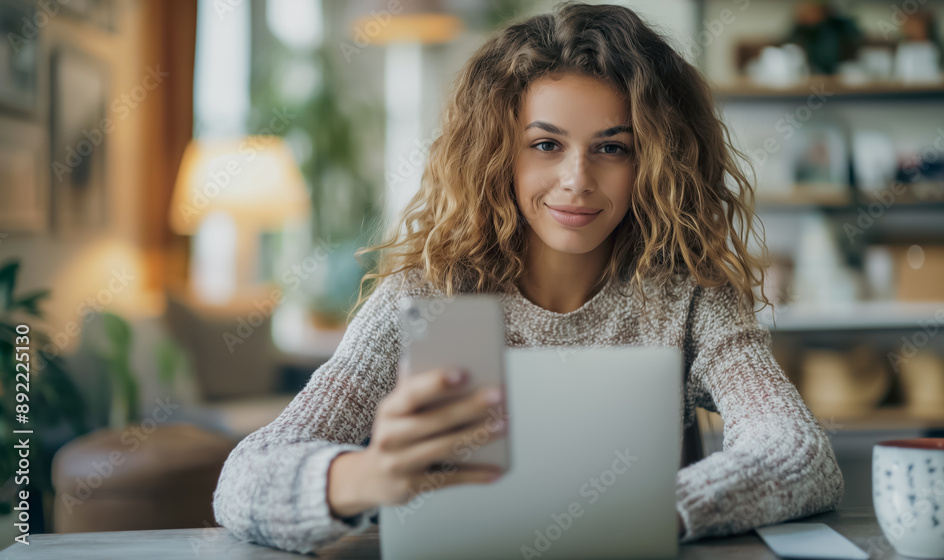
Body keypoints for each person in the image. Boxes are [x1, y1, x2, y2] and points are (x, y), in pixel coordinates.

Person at [212, 2, 844, 554]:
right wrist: (362, 478)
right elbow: (245, 479)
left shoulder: (688, 299)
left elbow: (800, 454)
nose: (577, 179)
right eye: (546, 145)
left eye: (612, 147)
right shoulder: (424, 296)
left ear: (653, 161)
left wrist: (649, 514)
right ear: (497, 153)